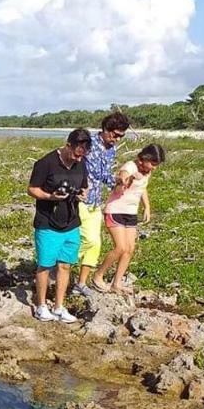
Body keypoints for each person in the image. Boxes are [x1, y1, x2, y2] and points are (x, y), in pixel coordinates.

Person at [28, 128, 91, 322]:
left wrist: (83, 194)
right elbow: (32, 189)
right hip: (48, 223)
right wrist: (50, 196)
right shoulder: (46, 163)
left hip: (71, 222)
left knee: (65, 265)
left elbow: (85, 185)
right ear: (68, 145)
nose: (78, 159)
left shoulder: (81, 163)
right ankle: (41, 306)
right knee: (45, 265)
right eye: (75, 154)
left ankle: (59, 307)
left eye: (82, 155)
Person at [92, 143, 165, 293]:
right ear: (144, 159)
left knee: (130, 249)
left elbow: (143, 189)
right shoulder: (130, 167)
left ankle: (116, 283)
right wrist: (126, 179)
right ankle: (98, 276)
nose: (153, 167)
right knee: (120, 248)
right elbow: (121, 181)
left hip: (131, 213)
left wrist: (147, 207)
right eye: (152, 163)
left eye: (156, 165)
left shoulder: (147, 172)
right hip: (115, 211)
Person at [74, 112, 130, 296]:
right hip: (80, 200)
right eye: (115, 134)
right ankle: (58, 265)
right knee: (87, 240)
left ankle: (80, 283)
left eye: (121, 136)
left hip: (96, 202)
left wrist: (117, 180)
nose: (117, 139)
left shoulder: (111, 149)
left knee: (96, 243)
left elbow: (104, 175)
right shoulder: (88, 143)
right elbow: (73, 161)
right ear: (106, 130)